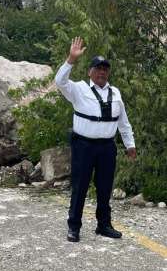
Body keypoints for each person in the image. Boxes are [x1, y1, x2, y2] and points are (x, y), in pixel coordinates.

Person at [54, 37, 137, 242]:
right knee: (80, 186)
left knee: (105, 187)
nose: (102, 72)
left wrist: (130, 144)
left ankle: (104, 225)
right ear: (90, 71)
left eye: (105, 69)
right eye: (98, 68)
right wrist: (71, 59)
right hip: (84, 145)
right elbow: (60, 82)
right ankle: (74, 227)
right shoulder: (78, 89)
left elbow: (123, 123)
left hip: (107, 147)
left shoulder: (115, 93)